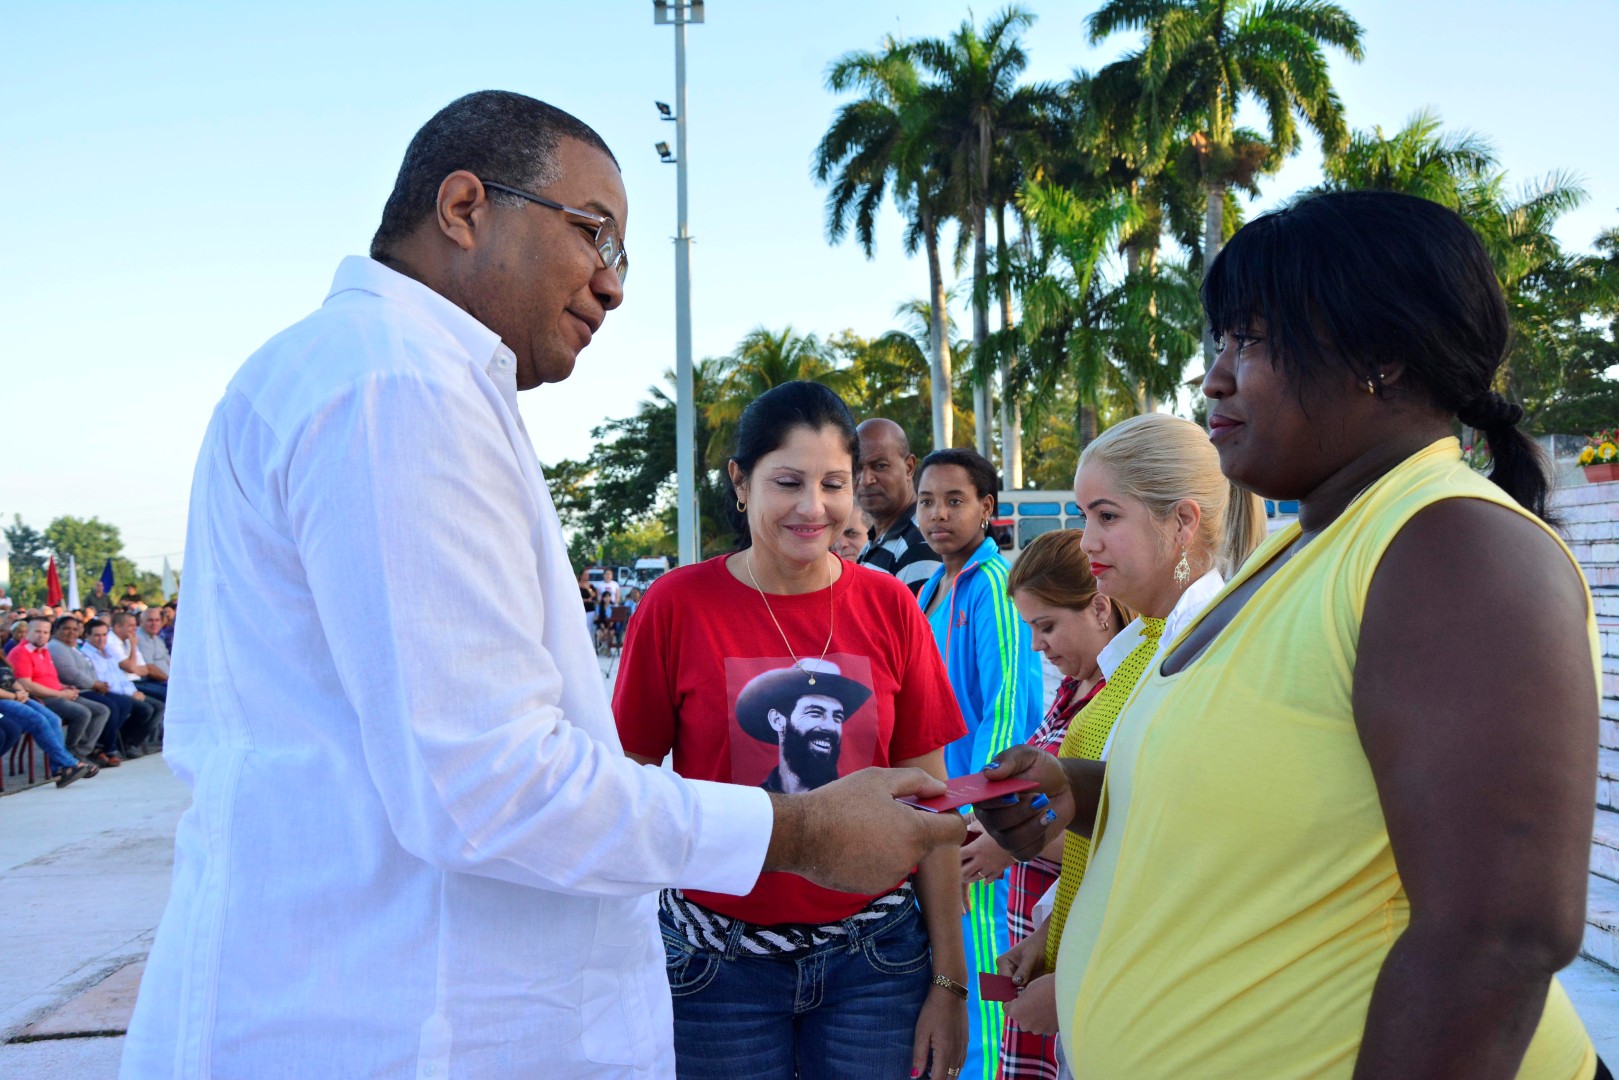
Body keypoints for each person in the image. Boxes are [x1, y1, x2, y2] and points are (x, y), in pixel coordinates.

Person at [120, 92, 962, 1080]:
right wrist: (800, 829)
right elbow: (487, 781)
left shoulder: (389, 378)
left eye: (622, 257)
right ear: (466, 208)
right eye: (593, 235)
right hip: (397, 1024)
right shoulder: (396, 390)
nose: (611, 286)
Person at [976, 191, 1608, 1079]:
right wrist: (1074, 791)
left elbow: (1494, 938)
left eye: (1253, 340)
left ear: (1380, 358)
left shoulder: (1449, 550)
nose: (1215, 377)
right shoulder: (1313, 547)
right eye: (1220, 341)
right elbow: (1271, 793)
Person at [614, 381, 970, 1080]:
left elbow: (932, 807)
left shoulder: (889, 604)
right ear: (740, 484)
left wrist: (950, 985)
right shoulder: (675, 606)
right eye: (787, 482)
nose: (814, 508)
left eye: (834, 483)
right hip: (715, 972)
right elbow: (622, 794)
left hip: (878, 965)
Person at [953, 530, 1127, 1080]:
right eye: (1030, 628)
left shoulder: (1122, 697)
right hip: (1050, 935)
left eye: (1047, 626)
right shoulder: (1074, 690)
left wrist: (1009, 842)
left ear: (1100, 608)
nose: (1036, 647)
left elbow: (1114, 829)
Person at [915, 448, 1044, 1080]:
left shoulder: (993, 585)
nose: (938, 514)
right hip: (941, 824)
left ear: (987, 509)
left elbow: (1010, 711)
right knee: (954, 971)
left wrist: (978, 817)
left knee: (986, 979)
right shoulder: (934, 589)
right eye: (927, 501)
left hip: (976, 830)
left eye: (954, 500)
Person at [856, 417, 942, 594]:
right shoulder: (878, 538)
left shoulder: (920, 543)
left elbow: (919, 622)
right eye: (856, 468)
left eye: (880, 466)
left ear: (909, 467)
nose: (866, 480)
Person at [9, 616, 110, 764]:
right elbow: (27, 685)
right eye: (38, 631)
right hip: (42, 698)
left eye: (45, 632)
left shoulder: (43, 650)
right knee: (82, 713)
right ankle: (70, 757)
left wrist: (65, 687)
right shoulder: (21, 652)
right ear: (27, 633)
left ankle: (78, 753)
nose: (42, 635)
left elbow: (50, 678)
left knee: (102, 710)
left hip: (58, 694)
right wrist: (61, 693)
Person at [0, 648, 96, 787]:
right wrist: (15, 696)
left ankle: (60, 769)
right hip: (4, 700)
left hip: (16, 696)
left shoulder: (1, 656)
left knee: (53, 719)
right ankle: (69, 763)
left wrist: (21, 691)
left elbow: (11, 680)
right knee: (36, 720)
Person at [47, 616, 133, 765]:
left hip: (82, 689)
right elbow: (71, 674)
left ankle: (93, 748)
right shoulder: (56, 647)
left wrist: (97, 684)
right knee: (106, 707)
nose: (71, 632)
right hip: (77, 690)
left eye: (75, 629)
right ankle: (80, 752)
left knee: (122, 703)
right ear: (56, 630)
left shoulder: (71, 647)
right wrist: (94, 684)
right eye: (66, 628)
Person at [82, 619, 164, 755]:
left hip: (125, 690)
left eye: (104, 635)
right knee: (145, 709)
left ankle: (130, 741)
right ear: (87, 636)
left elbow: (121, 677)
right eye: (97, 635)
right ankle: (121, 743)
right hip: (108, 692)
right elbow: (105, 682)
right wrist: (130, 694)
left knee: (158, 706)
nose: (101, 639)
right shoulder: (86, 655)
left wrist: (134, 691)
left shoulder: (108, 652)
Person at [134, 607, 171, 701]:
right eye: (150, 620)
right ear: (141, 622)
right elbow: (150, 669)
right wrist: (170, 680)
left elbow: (168, 661)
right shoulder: (139, 639)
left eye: (157, 620)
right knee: (171, 694)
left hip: (165, 680)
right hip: (150, 681)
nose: (154, 624)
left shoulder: (157, 639)